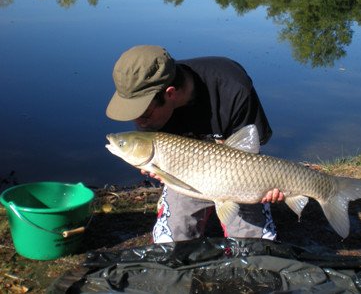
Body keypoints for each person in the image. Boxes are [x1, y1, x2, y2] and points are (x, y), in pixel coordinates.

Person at [106, 45, 284, 243]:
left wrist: (266, 186)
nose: (139, 122)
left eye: (144, 114)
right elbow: (150, 153)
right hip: (185, 176)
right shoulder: (146, 101)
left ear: (170, 93)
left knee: (255, 247)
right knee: (170, 243)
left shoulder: (233, 87)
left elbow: (249, 149)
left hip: (239, 175)